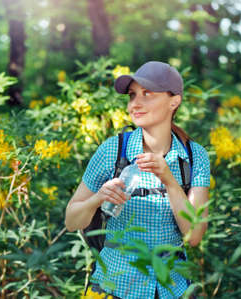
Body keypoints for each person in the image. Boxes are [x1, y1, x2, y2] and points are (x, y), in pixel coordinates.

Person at [65, 61, 210, 299]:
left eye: (147, 94)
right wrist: (98, 198)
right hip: (115, 288)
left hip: (172, 288)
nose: (136, 103)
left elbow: (193, 236)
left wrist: (169, 181)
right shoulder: (113, 150)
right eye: (132, 95)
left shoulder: (195, 156)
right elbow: (71, 220)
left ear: (174, 101)